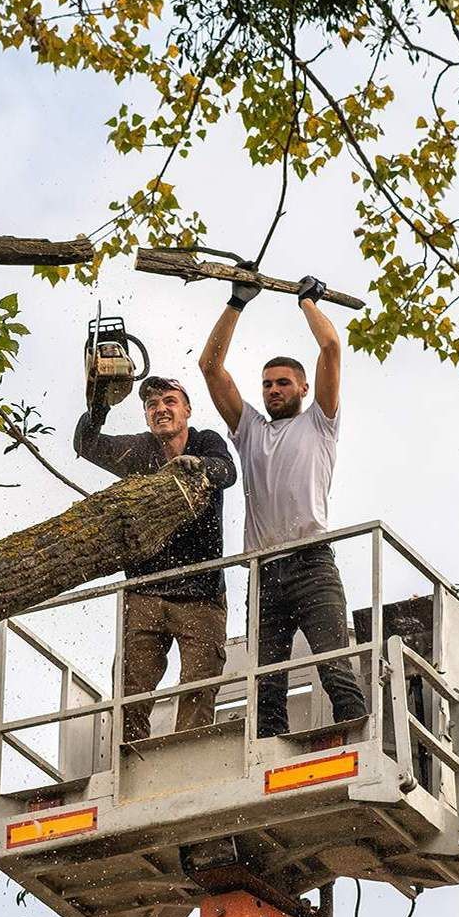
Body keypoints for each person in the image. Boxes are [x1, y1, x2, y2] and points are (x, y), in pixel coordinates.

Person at [197, 267, 367, 737]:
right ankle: (269, 760)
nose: (274, 390)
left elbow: (330, 348)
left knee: (335, 669)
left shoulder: (320, 423)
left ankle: (355, 744)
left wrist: (306, 301)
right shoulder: (250, 430)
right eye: (268, 384)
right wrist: (237, 303)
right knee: (265, 686)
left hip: (313, 564)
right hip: (265, 573)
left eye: (283, 383)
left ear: (303, 388)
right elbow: (211, 369)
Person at [73, 375, 238, 742]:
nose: (161, 409)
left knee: (200, 682)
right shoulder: (139, 452)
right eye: (152, 405)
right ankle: (132, 756)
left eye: (169, 401)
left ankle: (187, 752)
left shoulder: (205, 440)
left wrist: (199, 468)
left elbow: (227, 471)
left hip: (201, 590)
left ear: (187, 409)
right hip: (146, 590)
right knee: (132, 688)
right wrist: (99, 404)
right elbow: (86, 444)